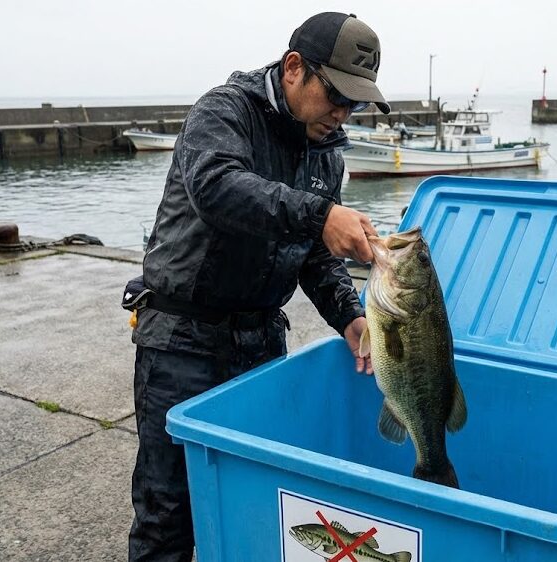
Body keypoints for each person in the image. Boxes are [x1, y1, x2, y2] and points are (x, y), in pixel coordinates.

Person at [123, 12, 390, 562]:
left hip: (262, 344)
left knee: (258, 506)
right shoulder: (224, 111)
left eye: (355, 102)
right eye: (336, 94)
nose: (343, 112)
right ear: (294, 68)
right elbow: (218, 188)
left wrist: (350, 317)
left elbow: (314, 257)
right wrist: (321, 215)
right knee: (166, 516)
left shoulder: (327, 155)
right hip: (181, 342)